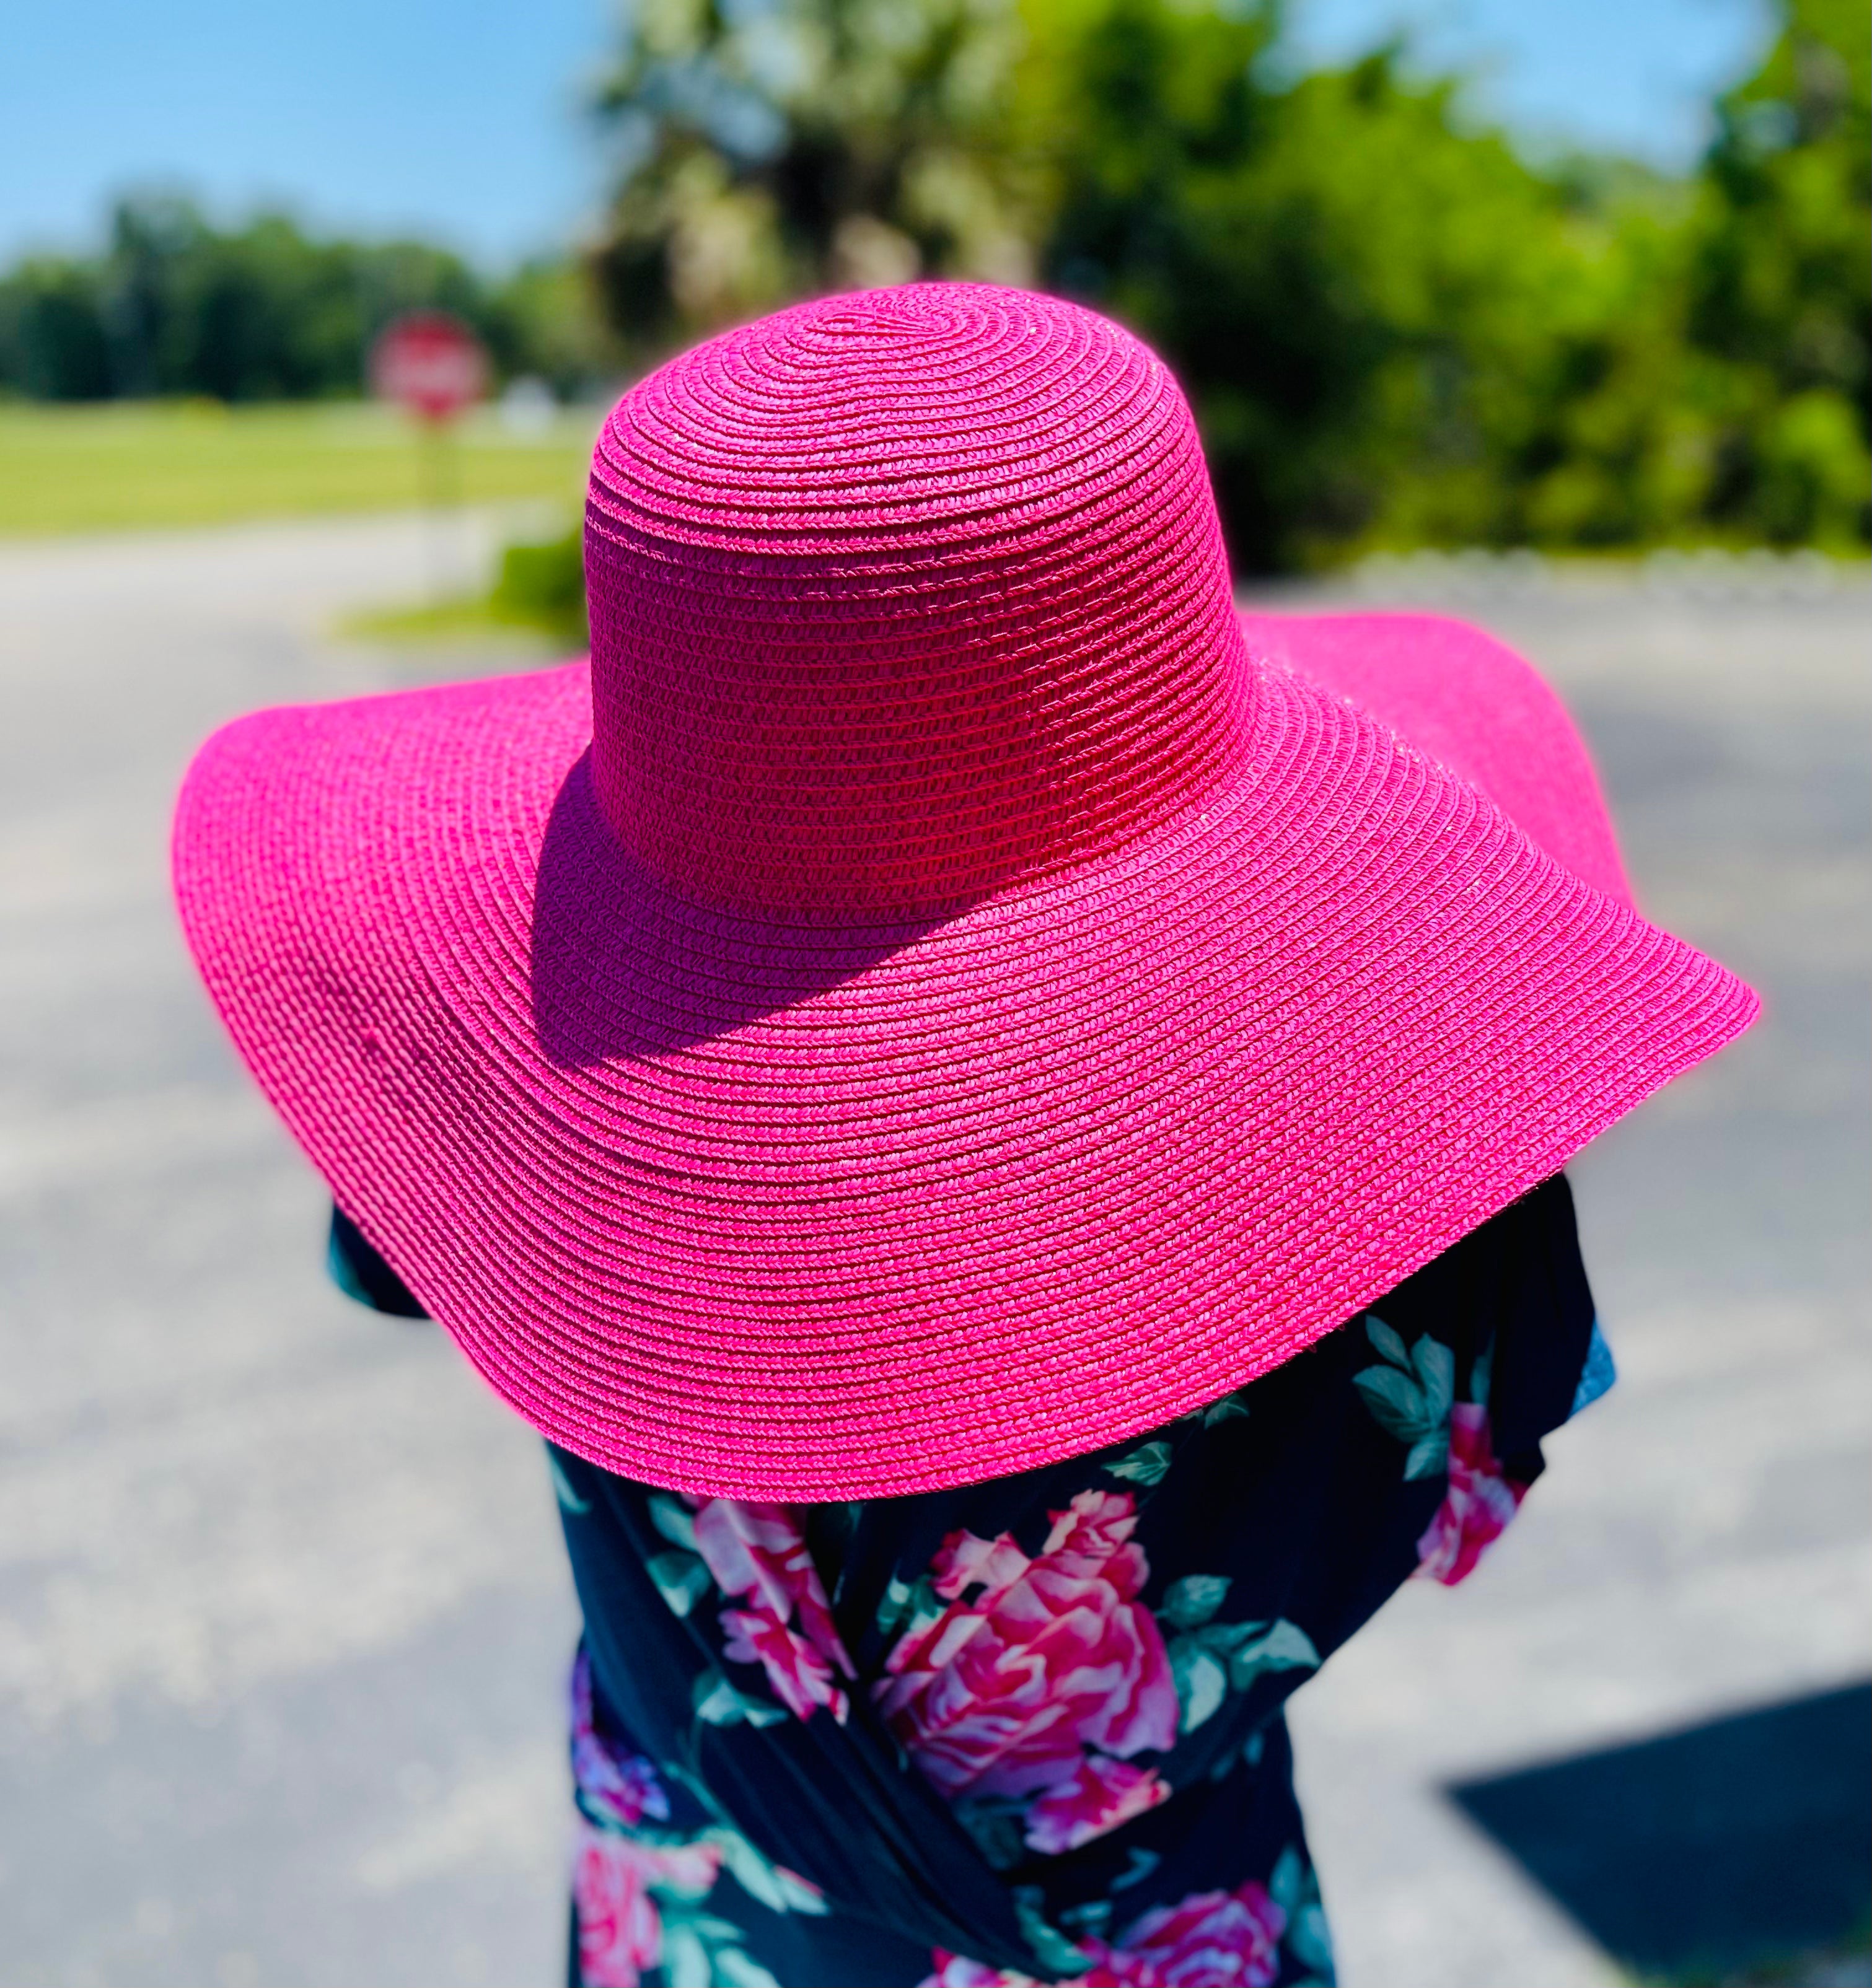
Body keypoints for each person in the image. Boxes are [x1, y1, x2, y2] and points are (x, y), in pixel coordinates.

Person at [174, 284, 1754, 1988]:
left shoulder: (541, 1136)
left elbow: (402, 1242)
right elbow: (1471, 1464)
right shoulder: (1417, 1231)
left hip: (699, 1934)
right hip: (1189, 1935)